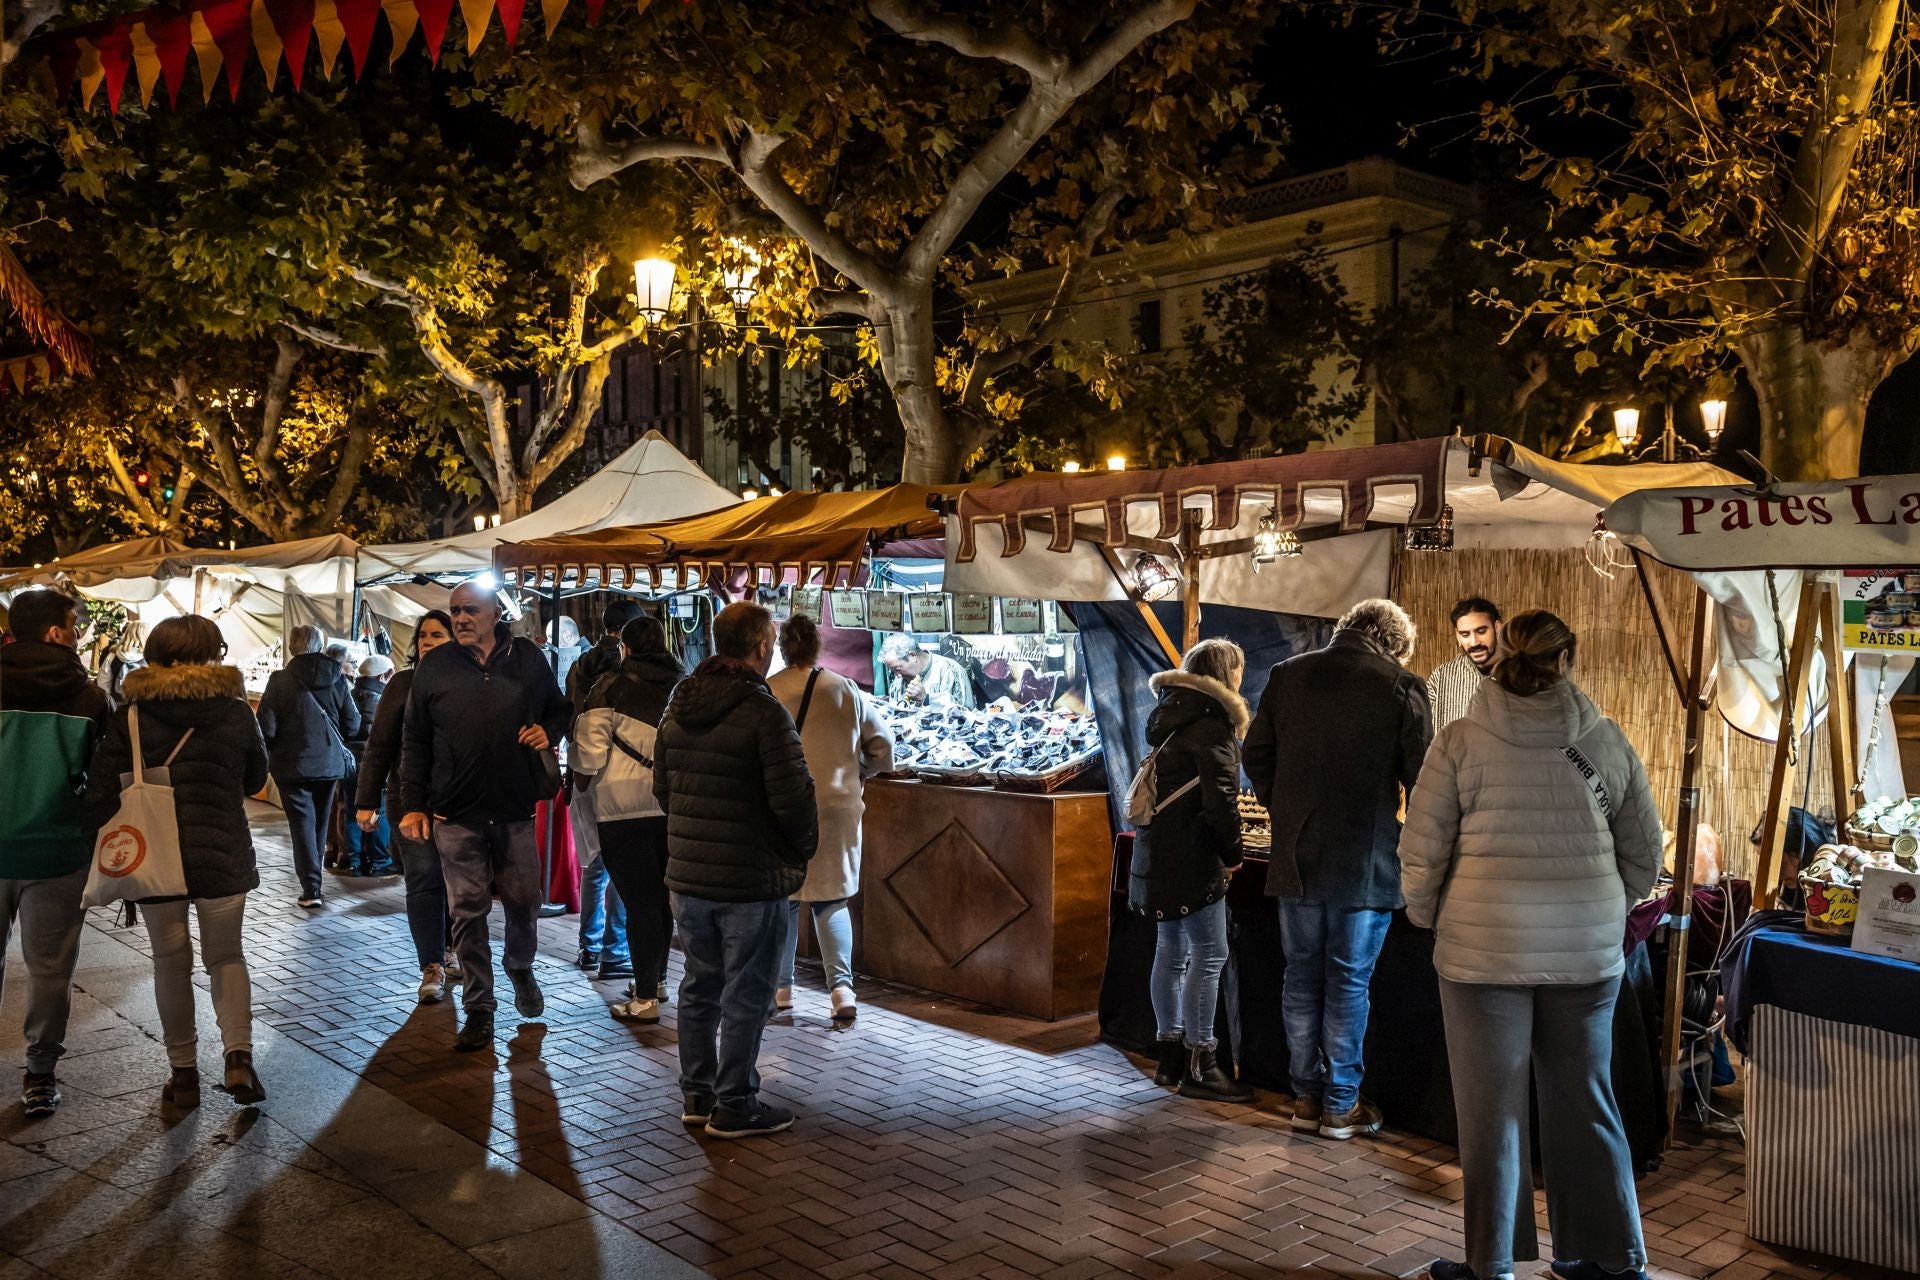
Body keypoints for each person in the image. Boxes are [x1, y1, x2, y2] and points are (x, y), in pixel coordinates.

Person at [1399, 611, 1661, 1280]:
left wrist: (1431, 916)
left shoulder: (1458, 741)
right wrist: (1603, 907)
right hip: (1586, 954)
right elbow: (1645, 857)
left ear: (1499, 657)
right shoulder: (1604, 741)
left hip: (1482, 951)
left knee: (1492, 1114)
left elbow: (1421, 854)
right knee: (1588, 1102)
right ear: (1567, 658)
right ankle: (1611, 1256)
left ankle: (1494, 1264)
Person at [1243, 598, 1431, 1140]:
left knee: (1300, 978)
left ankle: (1305, 1099)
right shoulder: (1400, 684)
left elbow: (1256, 756)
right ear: (1392, 642)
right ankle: (1341, 1106)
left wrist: (1287, 808)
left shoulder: (1286, 675)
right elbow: (1424, 779)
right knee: (1347, 983)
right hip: (1363, 862)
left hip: (1295, 859)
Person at [89, 616, 271, 1110]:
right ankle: (238, 1056)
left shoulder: (130, 715)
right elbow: (256, 780)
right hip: (222, 854)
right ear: (212, 655)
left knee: (170, 961)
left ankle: (184, 1074)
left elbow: (103, 790)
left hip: (155, 858)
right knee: (227, 956)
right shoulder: (236, 712)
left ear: (156, 656)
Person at [653, 602, 818, 1138]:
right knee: (746, 994)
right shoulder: (763, 711)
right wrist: (799, 852)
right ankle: (736, 1103)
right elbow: (794, 800)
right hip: (750, 878)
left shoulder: (679, 705)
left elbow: (663, 788)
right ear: (762, 644)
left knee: (700, 987)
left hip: (690, 878)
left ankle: (697, 1095)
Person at [399, 583, 571, 1052]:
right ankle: (479, 1008)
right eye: (455, 611)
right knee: (467, 911)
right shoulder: (434, 667)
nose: (460, 618)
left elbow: (561, 709)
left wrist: (547, 730)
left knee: (522, 900)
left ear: (496, 612)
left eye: (470, 610)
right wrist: (412, 804)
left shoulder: (527, 661)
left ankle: (519, 964)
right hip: (453, 813)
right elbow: (413, 741)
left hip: (514, 808)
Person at [1128, 638, 1254, 1103]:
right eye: (1238, 671)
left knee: (1171, 950)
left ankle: (1169, 1059)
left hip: (1158, 854)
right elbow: (1222, 805)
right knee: (1209, 955)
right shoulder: (1213, 730)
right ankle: (1203, 1061)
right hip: (1196, 858)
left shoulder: (1167, 722)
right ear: (1226, 676)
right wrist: (1233, 854)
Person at [0, 590, 109, 1118]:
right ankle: (39, 1074)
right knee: (49, 971)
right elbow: (106, 783)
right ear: (55, 633)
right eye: (74, 623)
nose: (80, 631)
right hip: (59, 852)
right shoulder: (89, 698)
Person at [767, 615, 894, 1022]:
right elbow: (883, 746)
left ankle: (782, 989)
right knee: (830, 897)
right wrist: (859, 771)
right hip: (837, 806)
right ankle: (842, 992)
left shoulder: (768, 690)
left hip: (782, 806)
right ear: (817, 647)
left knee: (784, 901)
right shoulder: (845, 688)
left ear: (782, 649)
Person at [570, 615, 684, 1022]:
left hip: (622, 808)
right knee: (662, 899)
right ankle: (658, 981)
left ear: (626, 647)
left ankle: (645, 999)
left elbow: (587, 758)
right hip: (673, 806)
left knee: (640, 902)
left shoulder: (610, 687)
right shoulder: (684, 685)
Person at [356, 613, 461, 1005]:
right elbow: (379, 744)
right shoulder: (402, 683)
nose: (428, 641)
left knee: (457, 880)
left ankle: (452, 949)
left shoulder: (468, 680)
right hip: (408, 800)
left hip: (457, 802)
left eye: (438, 634)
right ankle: (431, 964)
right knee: (424, 877)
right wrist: (366, 801)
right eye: (423, 635)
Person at [257, 625, 360, 909]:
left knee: (301, 822)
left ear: (291, 647)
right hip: (328, 763)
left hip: (291, 764)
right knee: (320, 820)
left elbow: (267, 726)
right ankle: (314, 883)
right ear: (319, 645)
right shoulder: (337, 677)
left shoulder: (280, 680)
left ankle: (311, 887)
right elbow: (353, 723)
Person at [567, 598, 644, 977]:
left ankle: (589, 946)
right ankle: (614, 952)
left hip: (583, 773)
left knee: (595, 864)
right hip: (619, 776)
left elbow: (571, 713)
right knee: (621, 864)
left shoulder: (579, 665)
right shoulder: (628, 671)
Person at [343, 654, 397, 877]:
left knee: (351, 812)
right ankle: (379, 861)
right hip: (372, 765)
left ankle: (354, 861)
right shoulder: (383, 700)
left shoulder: (350, 695)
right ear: (383, 675)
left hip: (349, 763)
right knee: (379, 811)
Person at [1428, 597, 1503, 730]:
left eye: (1481, 631)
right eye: (1465, 634)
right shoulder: (1441, 678)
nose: (1474, 642)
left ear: (1497, 628)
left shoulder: (1524, 674)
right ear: (1457, 636)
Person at [877, 633, 977, 708]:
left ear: (912, 656)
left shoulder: (949, 670)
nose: (897, 676)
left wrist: (927, 699)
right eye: (893, 671)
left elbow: (964, 715)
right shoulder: (899, 679)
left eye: (898, 669)